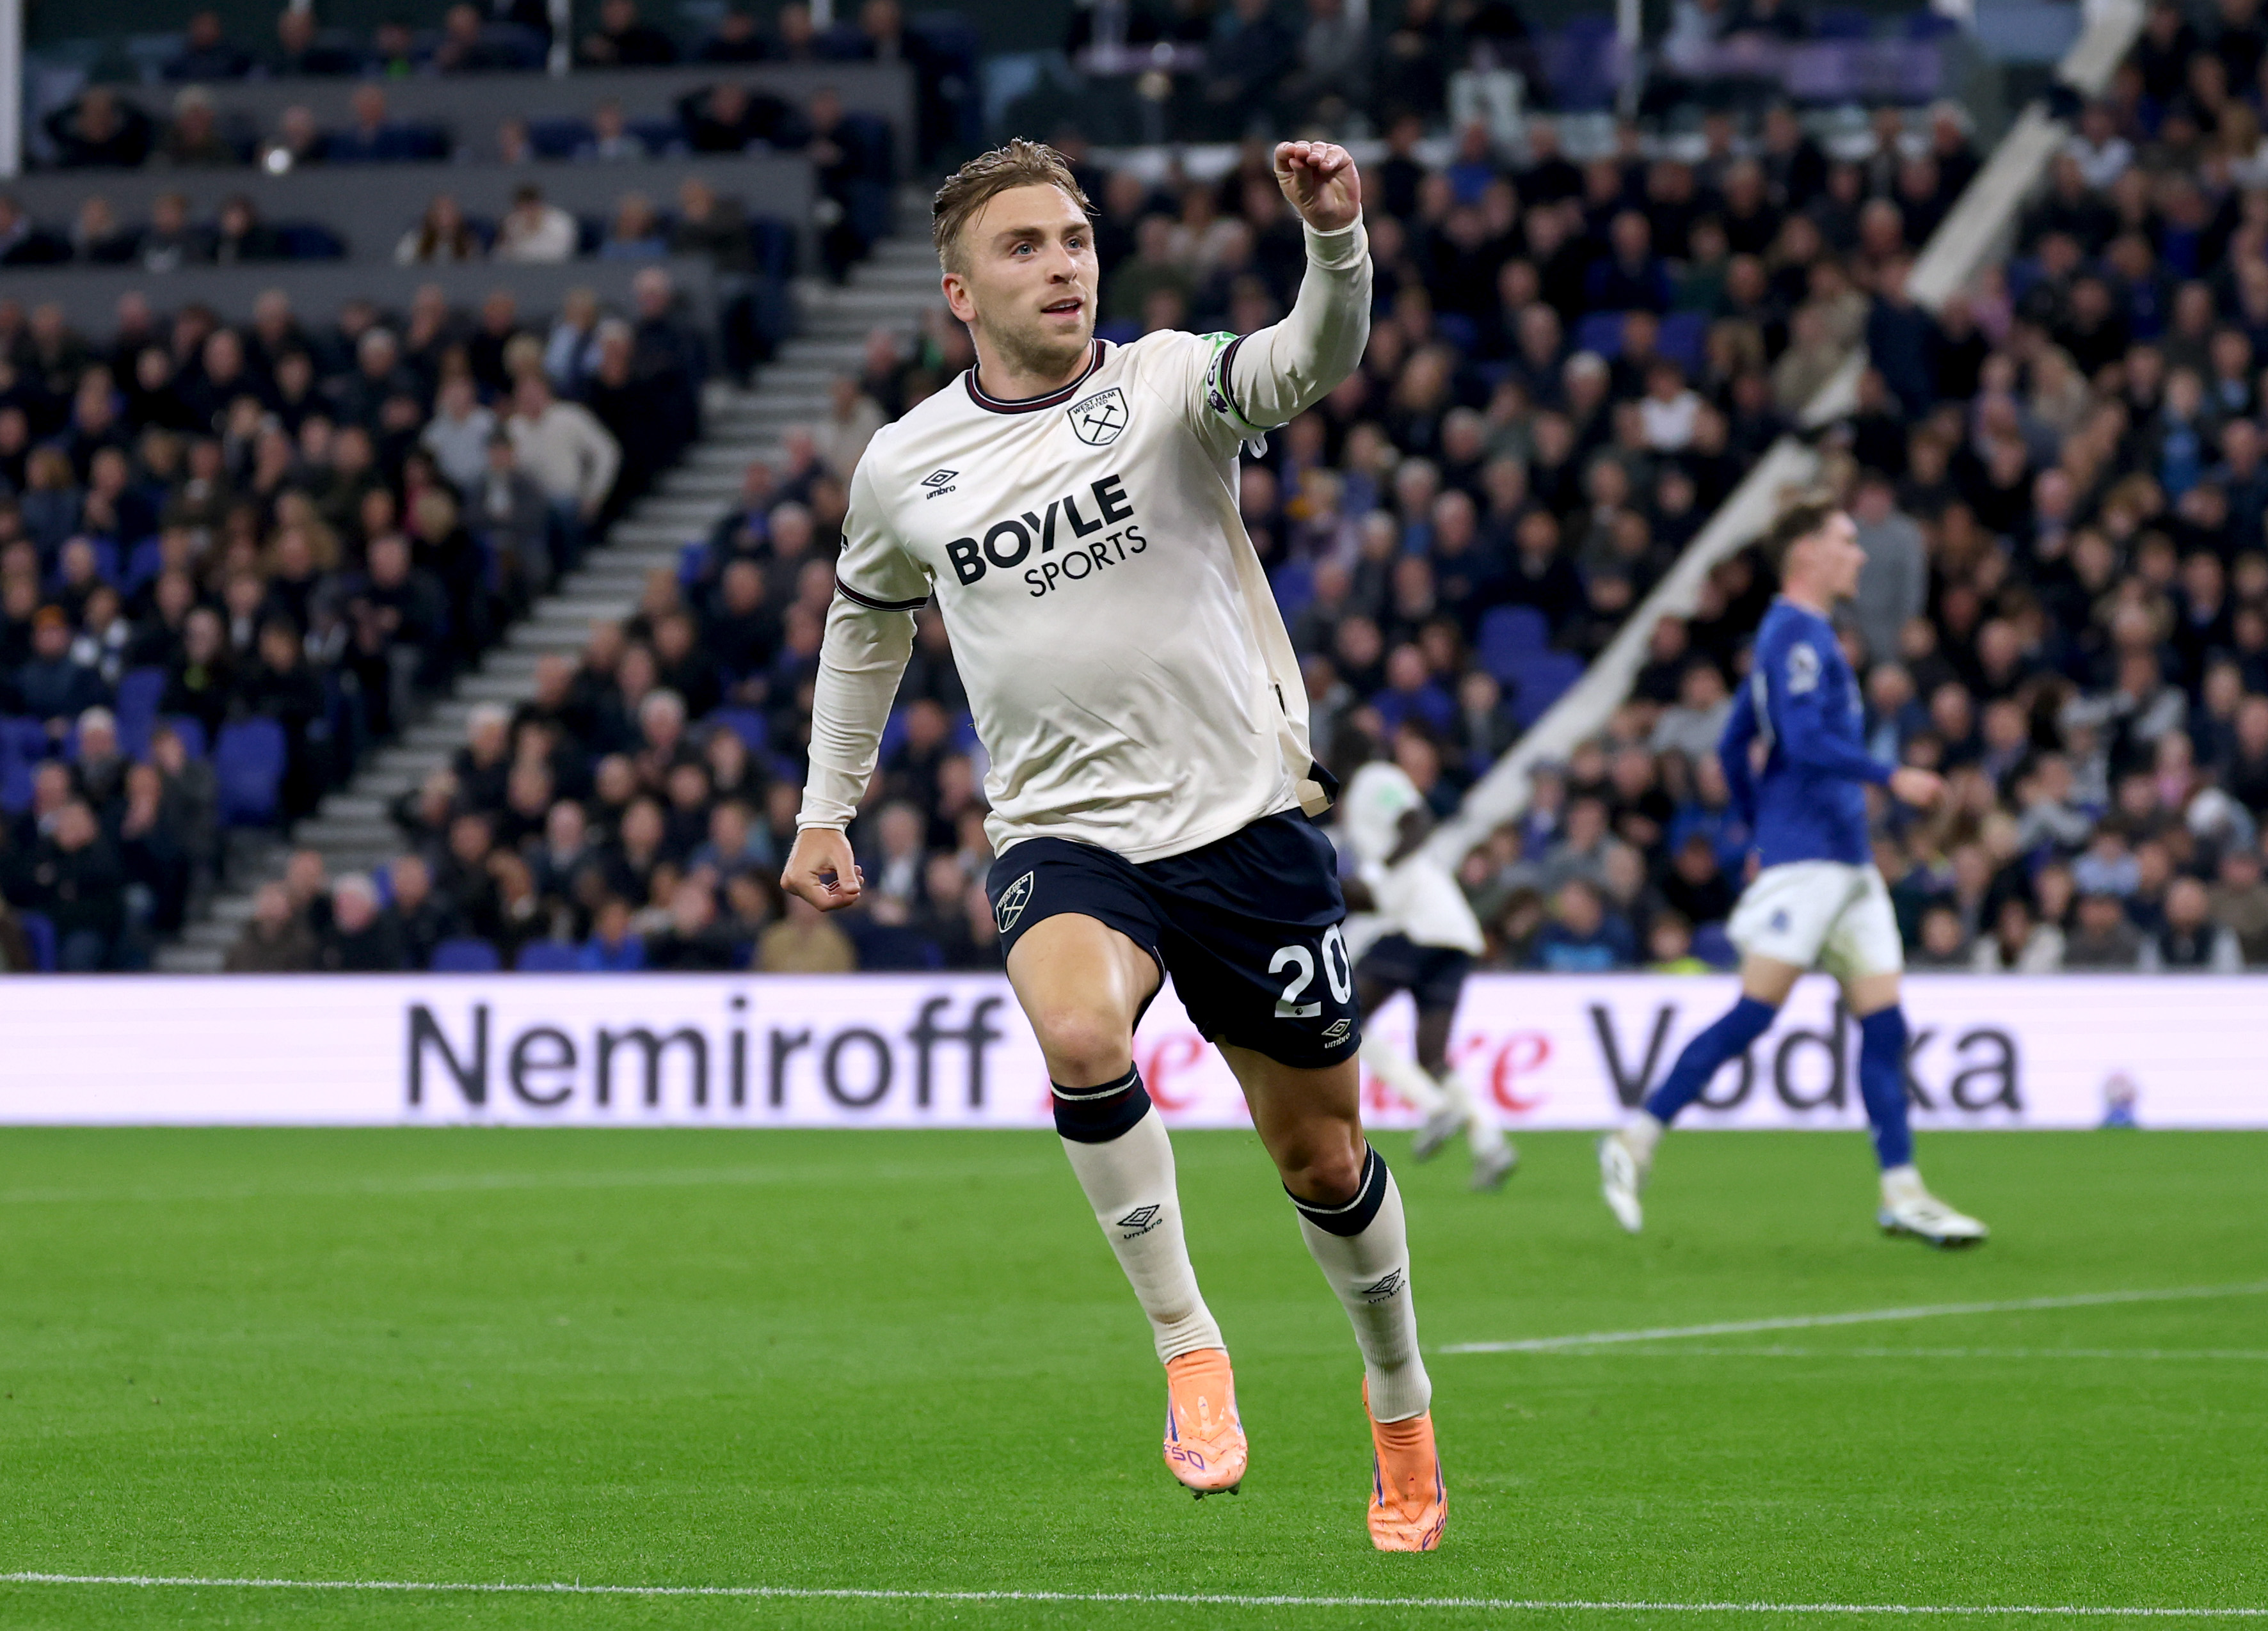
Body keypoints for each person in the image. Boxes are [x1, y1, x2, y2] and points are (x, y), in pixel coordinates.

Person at [779, 139, 1446, 1550]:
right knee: (1079, 1033)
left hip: (1244, 826)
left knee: (1321, 1160)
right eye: (1023, 246)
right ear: (960, 291)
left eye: (1075, 238)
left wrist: (1335, 238)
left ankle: (1397, 1394)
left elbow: (1304, 361)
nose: (1062, 262)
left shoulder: (1163, 384)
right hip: (1062, 830)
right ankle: (1188, 1343)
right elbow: (865, 622)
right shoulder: (904, 464)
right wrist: (823, 805)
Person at [1598, 496, 1989, 1247]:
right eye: (1847, 541)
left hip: (1843, 861)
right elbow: (1804, 740)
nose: (1861, 554)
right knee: (1756, 1012)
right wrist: (1889, 776)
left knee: (1885, 1023)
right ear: (1807, 553)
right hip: (1809, 859)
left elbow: (1736, 741)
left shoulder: (1796, 639)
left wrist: (1752, 825)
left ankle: (1903, 1190)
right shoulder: (1795, 635)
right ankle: (1633, 1137)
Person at [1334, 726, 1515, 1191]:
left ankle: (1435, 1109)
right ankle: (1491, 1142)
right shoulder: (1360, 805)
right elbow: (1379, 892)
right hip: (1449, 931)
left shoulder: (1375, 778)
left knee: (1347, 1015)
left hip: (1421, 924)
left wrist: (1373, 871)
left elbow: (1417, 823)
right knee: (1432, 1055)